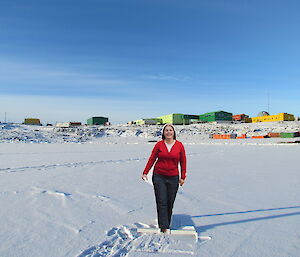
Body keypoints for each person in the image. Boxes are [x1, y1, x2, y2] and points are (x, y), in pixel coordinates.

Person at [142, 124, 187, 233]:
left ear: (173, 132)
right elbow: (152, 158)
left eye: (170, 130)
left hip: (173, 177)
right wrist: (145, 172)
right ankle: (164, 226)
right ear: (163, 133)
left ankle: (166, 221)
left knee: (170, 201)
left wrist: (183, 176)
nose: (168, 132)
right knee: (162, 200)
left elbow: (183, 161)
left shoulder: (179, 145)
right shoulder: (159, 145)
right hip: (159, 176)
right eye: (166, 130)